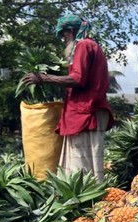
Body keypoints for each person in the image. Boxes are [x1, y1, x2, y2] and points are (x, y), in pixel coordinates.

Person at [23, 14, 114, 181]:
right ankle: (92, 202)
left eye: (64, 35)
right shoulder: (92, 46)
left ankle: (86, 204)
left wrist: (44, 78)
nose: (64, 40)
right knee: (89, 166)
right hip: (89, 110)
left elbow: (78, 79)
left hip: (86, 112)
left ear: (71, 31)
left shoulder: (83, 45)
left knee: (81, 169)